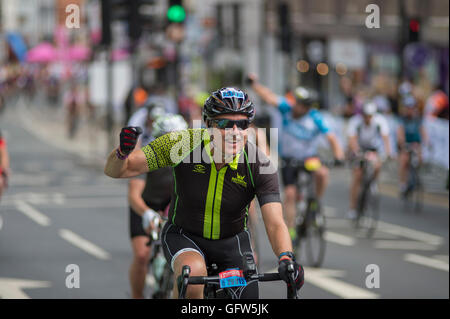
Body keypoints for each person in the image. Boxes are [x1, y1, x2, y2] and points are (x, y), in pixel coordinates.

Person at [104, 87, 304, 299]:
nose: (235, 132)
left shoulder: (259, 164)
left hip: (232, 241)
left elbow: (275, 222)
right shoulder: (183, 144)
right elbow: (118, 170)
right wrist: (122, 153)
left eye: (243, 124)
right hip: (185, 235)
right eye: (226, 124)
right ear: (208, 124)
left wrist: (286, 258)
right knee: (193, 276)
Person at [247, 74, 344, 241]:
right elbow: (269, 97)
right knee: (290, 194)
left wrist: (339, 156)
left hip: (309, 159)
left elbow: (331, 138)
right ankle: (291, 229)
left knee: (322, 173)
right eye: (297, 103)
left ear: (308, 107)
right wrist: (254, 84)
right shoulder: (286, 108)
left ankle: (315, 203)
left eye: (302, 105)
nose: (298, 107)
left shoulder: (315, 117)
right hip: (289, 159)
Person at [127, 111, 187, 299]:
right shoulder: (146, 158)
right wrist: (147, 213)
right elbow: (134, 195)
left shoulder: (192, 158)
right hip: (145, 206)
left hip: (173, 206)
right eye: (167, 141)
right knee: (142, 255)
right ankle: (137, 295)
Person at [346, 101, 391, 219]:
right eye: (366, 115)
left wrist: (387, 153)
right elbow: (352, 140)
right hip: (360, 149)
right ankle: (353, 207)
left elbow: (385, 139)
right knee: (357, 175)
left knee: (377, 165)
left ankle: (373, 182)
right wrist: (356, 152)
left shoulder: (380, 121)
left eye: (370, 116)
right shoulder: (355, 122)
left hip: (373, 149)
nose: (368, 118)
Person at [397, 95, 428, 196]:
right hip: (406, 144)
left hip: (416, 144)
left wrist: (427, 141)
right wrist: (402, 142)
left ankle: (415, 177)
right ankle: (403, 183)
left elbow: (423, 131)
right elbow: (400, 132)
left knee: (420, 158)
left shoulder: (418, 119)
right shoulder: (403, 119)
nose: (410, 110)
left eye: (412, 107)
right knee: (404, 160)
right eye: (408, 107)